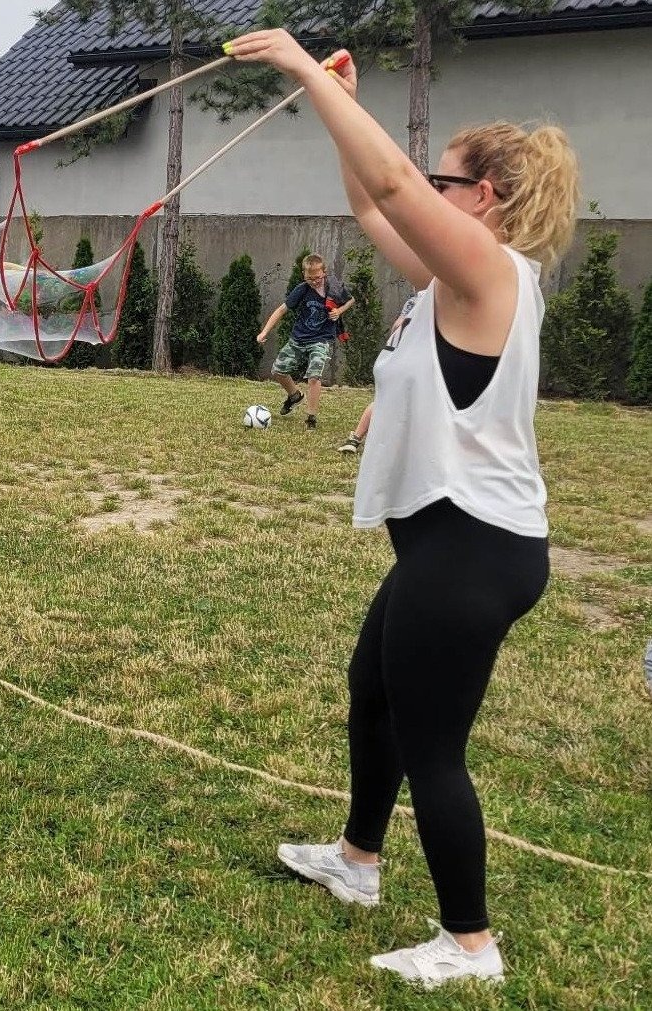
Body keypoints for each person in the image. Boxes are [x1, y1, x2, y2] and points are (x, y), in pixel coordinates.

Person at [229, 30, 579, 986]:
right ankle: (357, 861)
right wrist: (335, 104)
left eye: (445, 179)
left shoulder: (490, 273)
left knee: (433, 747)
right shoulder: (453, 276)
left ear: (485, 198)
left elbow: (390, 191)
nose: (429, 188)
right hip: (447, 550)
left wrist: (305, 69)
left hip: (473, 550)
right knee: (372, 689)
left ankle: (470, 942)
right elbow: (367, 196)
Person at [255, 254, 353, 430]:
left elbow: (351, 300)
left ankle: (311, 418)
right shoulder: (301, 289)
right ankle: (294, 396)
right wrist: (264, 332)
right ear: (303, 275)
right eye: (309, 278)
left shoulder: (335, 287)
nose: (314, 281)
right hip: (299, 337)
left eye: (317, 278)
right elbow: (281, 310)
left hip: (321, 339)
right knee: (278, 370)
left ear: (324, 272)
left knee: (314, 376)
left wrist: (339, 310)